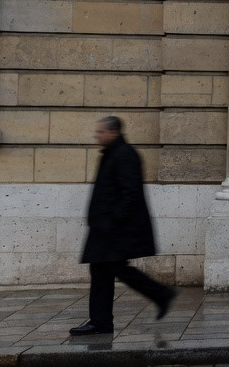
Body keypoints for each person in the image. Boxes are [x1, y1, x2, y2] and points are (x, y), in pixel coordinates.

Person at [70, 116, 176, 335]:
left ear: (113, 133)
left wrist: (112, 220)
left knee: (112, 269)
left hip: (115, 229)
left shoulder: (124, 154)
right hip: (107, 228)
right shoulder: (112, 154)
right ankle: (102, 321)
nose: (96, 136)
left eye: (100, 132)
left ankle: (157, 296)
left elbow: (131, 193)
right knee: (104, 270)